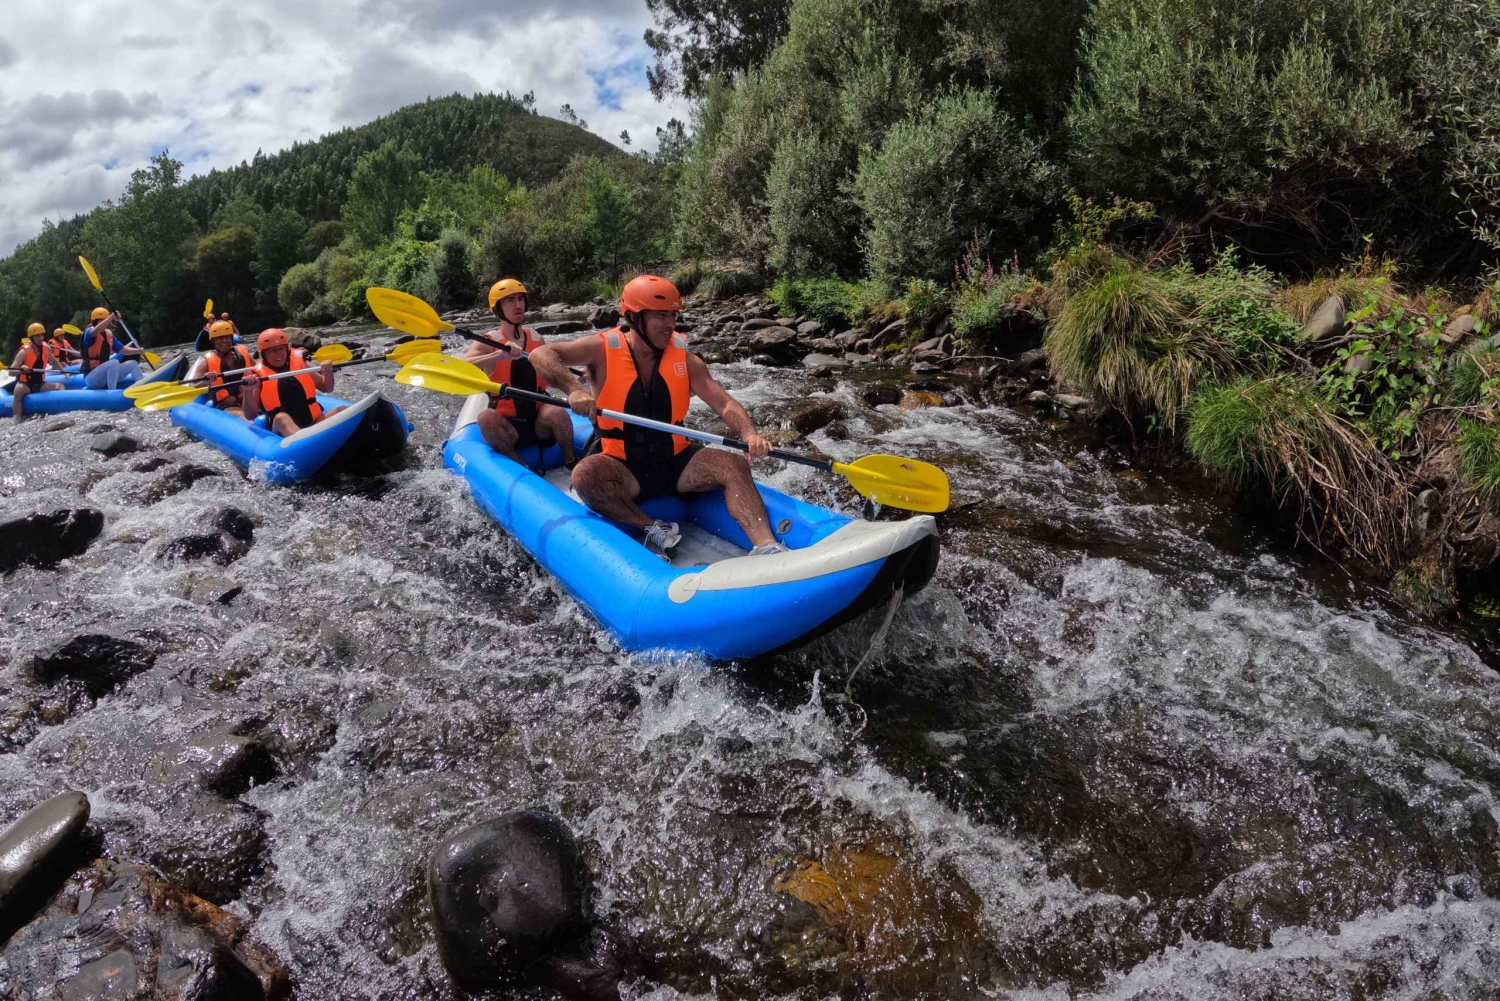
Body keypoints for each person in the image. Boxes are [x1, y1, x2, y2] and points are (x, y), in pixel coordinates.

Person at [529, 274, 788, 559]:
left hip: (675, 461)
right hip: (623, 464)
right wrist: (574, 389)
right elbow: (541, 354)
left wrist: (748, 433)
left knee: (733, 464)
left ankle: (767, 547)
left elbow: (724, 403)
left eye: (673, 316)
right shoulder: (601, 349)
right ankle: (652, 527)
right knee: (585, 475)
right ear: (635, 319)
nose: (670, 325)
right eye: (660, 316)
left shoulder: (686, 359)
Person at [461, 278, 577, 466]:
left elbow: (552, 372)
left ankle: (571, 460)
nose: (518, 305)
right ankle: (518, 463)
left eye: (520, 299)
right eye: (510, 300)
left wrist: (578, 375)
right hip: (509, 426)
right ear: (497, 309)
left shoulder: (537, 339)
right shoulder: (489, 341)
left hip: (539, 421)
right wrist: (498, 356)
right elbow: (463, 363)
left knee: (557, 411)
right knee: (485, 418)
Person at [242, 328, 347, 436]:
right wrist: (248, 391)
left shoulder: (299, 365)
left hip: (314, 421)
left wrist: (328, 372)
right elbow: (250, 415)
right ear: (264, 354)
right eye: (272, 350)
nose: (278, 354)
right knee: (281, 417)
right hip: (281, 429)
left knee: (344, 410)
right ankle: (305, 443)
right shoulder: (258, 376)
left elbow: (327, 388)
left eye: (281, 349)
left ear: (286, 350)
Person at [187, 320, 254, 418]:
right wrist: (205, 382)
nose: (224, 341)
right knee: (242, 416)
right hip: (227, 405)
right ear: (213, 341)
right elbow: (192, 388)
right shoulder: (206, 362)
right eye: (219, 338)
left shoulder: (243, 354)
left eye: (227, 337)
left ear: (232, 338)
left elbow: (259, 370)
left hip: (248, 398)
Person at [7, 323, 65, 417]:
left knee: (60, 386)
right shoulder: (23, 352)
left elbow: (53, 361)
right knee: (18, 391)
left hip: (39, 383)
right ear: (31, 338)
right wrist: (21, 370)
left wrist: (64, 372)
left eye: (42, 335)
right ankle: (17, 419)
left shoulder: (46, 348)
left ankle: (61, 412)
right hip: (26, 384)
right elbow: (11, 372)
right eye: (37, 336)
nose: (40, 338)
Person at [80, 307, 143, 390]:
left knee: (133, 363)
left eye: (105, 320)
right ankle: (112, 392)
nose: (104, 322)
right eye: (101, 320)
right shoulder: (89, 332)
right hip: (91, 377)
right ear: (95, 321)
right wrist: (111, 317)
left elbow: (123, 350)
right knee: (114, 362)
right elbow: (95, 332)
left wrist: (138, 351)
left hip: (105, 375)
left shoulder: (108, 335)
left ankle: (142, 388)